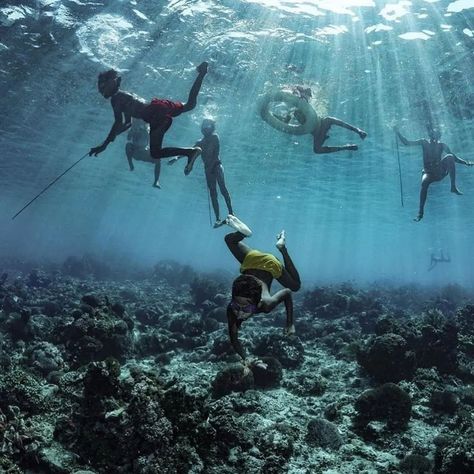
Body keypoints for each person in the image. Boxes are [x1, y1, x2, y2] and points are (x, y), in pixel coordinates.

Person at [89, 62, 209, 172]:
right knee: (190, 105)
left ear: (112, 82)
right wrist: (112, 137)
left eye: (102, 85)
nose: (100, 89)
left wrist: (104, 145)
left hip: (154, 114)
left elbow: (117, 123)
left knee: (156, 153)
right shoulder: (122, 97)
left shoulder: (115, 99)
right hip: (159, 106)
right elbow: (127, 123)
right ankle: (202, 73)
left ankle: (190, 152)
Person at [224, 215, 301, 369]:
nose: (239, 312)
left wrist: (290, 324)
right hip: (250, 261)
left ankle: (282, 249)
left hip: (269, 265)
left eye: (245, 309)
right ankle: (244, 234)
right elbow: (233, 338)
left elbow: (287, 292)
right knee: (228, 240)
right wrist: (246, 359)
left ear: (257, 303)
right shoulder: (232, 308)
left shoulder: (265, 305)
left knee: (295, 286)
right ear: (232, 299)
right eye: (237, 306)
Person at [394, 124, 473, 221]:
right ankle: (420, 213)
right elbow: (406, 143)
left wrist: (465, 162)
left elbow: (454, 157)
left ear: (439, 136)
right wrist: (397, 132)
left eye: (437, 135)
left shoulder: (442, 145)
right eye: (433, 134)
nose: (434, 137)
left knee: (450, 157)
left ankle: (453, 187)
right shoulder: (423, 142)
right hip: (428, 173)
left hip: (440, 172)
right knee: (424, 183)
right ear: (430, 134)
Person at [169, 118, 234, 227]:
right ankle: (218, 219)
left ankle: (231, 213)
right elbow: (190, 151)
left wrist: (212, 166)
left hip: (216, 166)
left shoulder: (215, 137)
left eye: (207, 126)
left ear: (212, 127)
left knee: (223, 189)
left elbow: (216, 153)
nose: (205, 128)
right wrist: (176, 158)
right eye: (203, 126)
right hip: (208, 169)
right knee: (213, 193)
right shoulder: (199, 142)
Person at [275, 86, 367, 154]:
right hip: (316, 133)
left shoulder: (304, 103)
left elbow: (306, 100)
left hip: (321, 124)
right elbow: (285, 122)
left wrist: (301, 94)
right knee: (317, 150)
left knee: (328, 119)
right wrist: (278, 119)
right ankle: (346, 147)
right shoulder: (293, 111)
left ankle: (358, 131)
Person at [125, 119, 162, 188]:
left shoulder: (148, 127)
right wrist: (132, 131)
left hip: (145, 152)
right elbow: (128, 138)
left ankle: (156, 181)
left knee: (158, 157)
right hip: (136, 152)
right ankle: (131, 165)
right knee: (128, 145)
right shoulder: (134, 127)